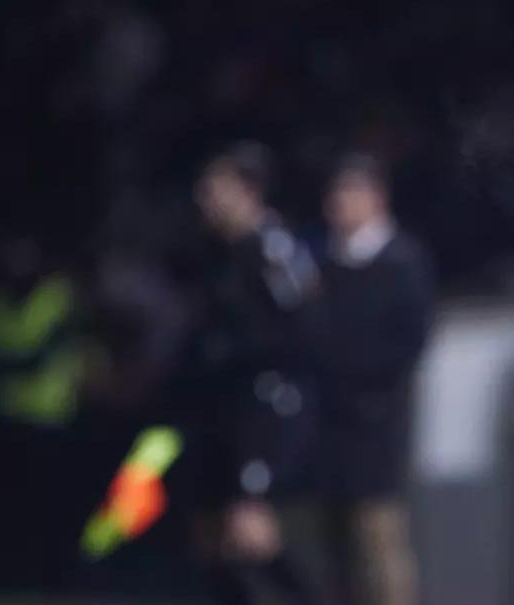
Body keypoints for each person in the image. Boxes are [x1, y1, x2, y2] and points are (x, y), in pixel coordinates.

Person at [186, 141, 321, 605]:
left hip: (264, 406)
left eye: (217, 187)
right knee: (210, 534)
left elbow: (302, 321)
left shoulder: (273, 247)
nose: (206, 197)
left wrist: (257, 361)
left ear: (249, 191)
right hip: (223, 407)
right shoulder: (216, 251)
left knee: (251, 531)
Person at [310, 152, 433, 605]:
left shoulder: (402, 261)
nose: (338, 203)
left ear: (376, 197)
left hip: (375, 420)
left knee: (379, 536)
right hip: (329, 420)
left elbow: (409, 340)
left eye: (349, 192)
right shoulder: (327, 262)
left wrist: (362, 378)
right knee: (333, 543)